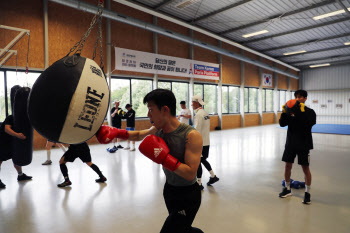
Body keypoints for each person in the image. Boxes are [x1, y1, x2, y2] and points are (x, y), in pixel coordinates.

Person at [96, 89, 204, 233]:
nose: (148, 115)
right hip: (170, 190)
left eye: (151, 110)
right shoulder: (158, 129)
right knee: (182, 228)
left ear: (165, 110)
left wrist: (165, 158)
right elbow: (140, 134)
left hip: (188, 195)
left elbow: (191, 174)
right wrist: (117, 132)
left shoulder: (191, 135)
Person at [278, 90, 316, 204]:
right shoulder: (290, 110)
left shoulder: (310, 112)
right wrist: (284, 112)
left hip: (304, 144)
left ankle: (307, 193)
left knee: (305, 169)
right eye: (296, 97)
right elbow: (282, 124)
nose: (298, 99)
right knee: (287, 166)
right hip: (291, 143)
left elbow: (310, 123)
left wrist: (301, 112)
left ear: (305, 99)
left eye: (300, 97)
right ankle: (288, 189)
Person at [192, 95, 219, 190]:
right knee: (202, 160)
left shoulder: (199, 114)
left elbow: (197, 129)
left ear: (196, 103)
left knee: (198, 162)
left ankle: (199, 183)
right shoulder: (205, 113)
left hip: (200, 142)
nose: (191, 105)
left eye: (192, 103)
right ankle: (213, 177)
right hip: (206, 141)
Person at [0, 115, 32, 189]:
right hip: (2, 140)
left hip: (11, 141)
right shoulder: (11, 117)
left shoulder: (23, 120)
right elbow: (6, 129)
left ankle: (20, 175)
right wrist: (17, 135)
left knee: (16, 157)